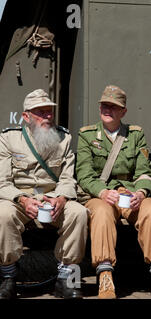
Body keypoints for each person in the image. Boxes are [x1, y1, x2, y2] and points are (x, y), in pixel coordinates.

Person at [76, 85, 151, 299]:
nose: (107, 109)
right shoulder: (87, 135)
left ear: (123, 112)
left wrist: (140, 193)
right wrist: (102, 192)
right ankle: (104, 276)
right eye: (104, 105)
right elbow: (84, 174)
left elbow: (145, 172)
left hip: (130, 193)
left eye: (113, 106)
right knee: (101, 215)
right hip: (99, 195)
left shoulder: (135, 135)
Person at [0, 89, 88, 299]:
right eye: (40, 112)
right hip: (19, 199)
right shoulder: (9, 138)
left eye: (49, 112)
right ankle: (8, 277)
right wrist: (22, 199)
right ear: (26, 116)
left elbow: (68, 178)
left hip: (53, 199)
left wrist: (61, 198)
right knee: (2, 214)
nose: (48, 116)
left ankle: (66, 278)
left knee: (79, 213)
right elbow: (2, 182)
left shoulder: (63, 138)